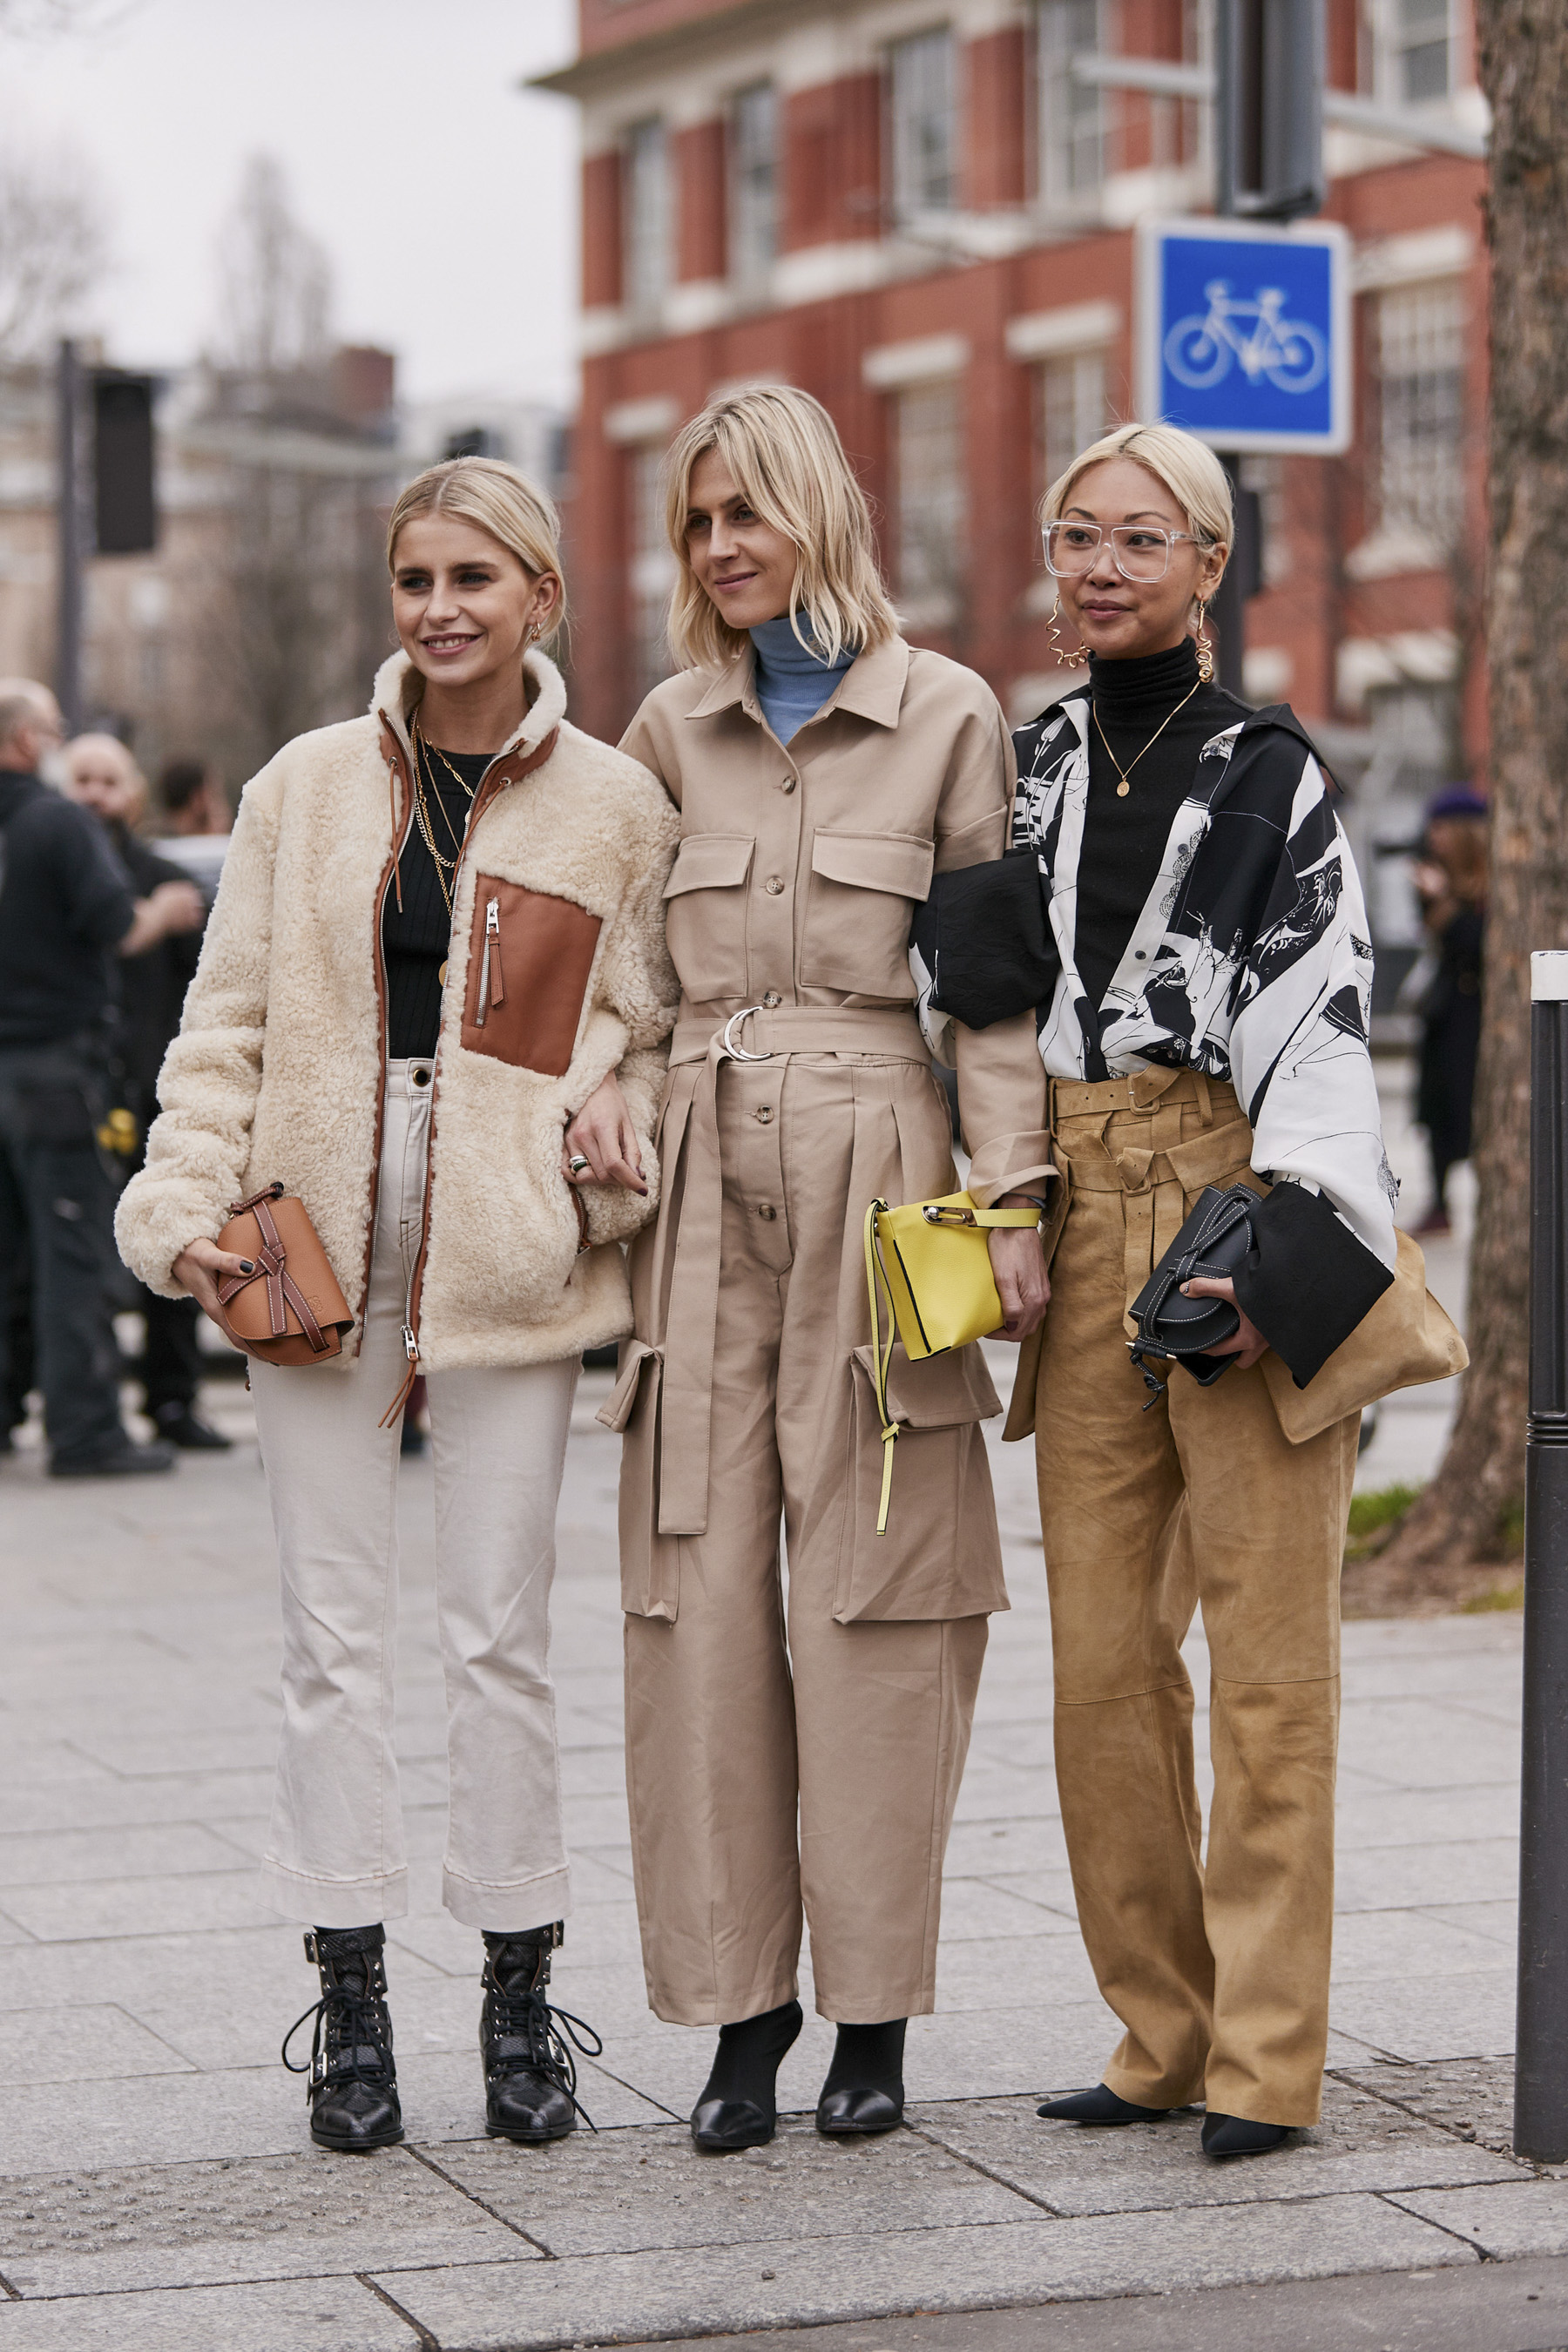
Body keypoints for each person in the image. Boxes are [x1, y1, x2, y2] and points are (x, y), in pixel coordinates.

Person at [116, 458, 679, 2153]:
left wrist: (610, 1094)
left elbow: (635, 1017)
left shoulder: (612, 806)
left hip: (507, 1260)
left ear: (541, 601)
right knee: (327, 1643)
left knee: (501, 1642)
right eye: (415, 579)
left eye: (474, 581)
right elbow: (226, 1032)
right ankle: (348, 1989)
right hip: (311, 1252)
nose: (439, 610)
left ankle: (521, 1991)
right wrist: (177, 1210)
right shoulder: (299, 792)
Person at [927, 423, 1399, 2160]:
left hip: (1239, 1198)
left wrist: (1288, 1248)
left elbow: (1326, 1018)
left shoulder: (1274, 770)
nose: (1102, 565)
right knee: (1101, 1662)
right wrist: (1006, 1204)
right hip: (1073, 1198)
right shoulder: (1025, 767)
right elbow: (977, 994)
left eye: (1142, 537)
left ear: (1212, 565)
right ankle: (1160, 2030)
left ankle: (1268, 2058)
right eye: (1076, 536)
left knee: (1273, 1657)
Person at [602, 385, 1051, 2153]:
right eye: (698, 522)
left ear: (816, 516)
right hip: (703, 1172)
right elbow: (622, 990)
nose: (720, 550)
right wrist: (607, 1102)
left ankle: (873, 2013)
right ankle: (742, 2014)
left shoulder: (947, 715)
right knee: (696, 1600)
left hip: (890, 1166)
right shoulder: (661, 730)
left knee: (881, 1588)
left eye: (746, 515)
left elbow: (995, 993)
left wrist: (1013, 1202)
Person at [0, 681, 203, 1477]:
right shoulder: (57, 824)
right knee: (71, 1252)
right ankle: (85, 1431)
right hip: (55, 1073)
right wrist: (168, 909)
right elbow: (119, 929)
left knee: (7, 1254)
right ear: (24, 742)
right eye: (52, 733)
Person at [63, 733, 225, 1450]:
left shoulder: (171, 882)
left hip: (156, 1099)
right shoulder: (53, 878)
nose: (96, 794)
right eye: (82, 780)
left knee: (177, 1253)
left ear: (132, 793)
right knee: (61, 1261)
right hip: (79, 1096)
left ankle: (171, 1400)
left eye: (108, 780)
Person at [1411, 786, 1486, 1236]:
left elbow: (1477, 945)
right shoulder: (1438, 875)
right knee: (1436, 1108)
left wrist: (1445, 902)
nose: (1432, 837)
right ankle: (1440, 1201)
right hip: (1443, 1012)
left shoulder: (1491, 885)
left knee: (1469, 1105)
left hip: (1474, 1013)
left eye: (1441, 828)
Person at [151, 756, 231, 896]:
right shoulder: (228, 859)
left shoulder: (151, 853)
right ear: (199, 799)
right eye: (216, 795)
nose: (225, 808)